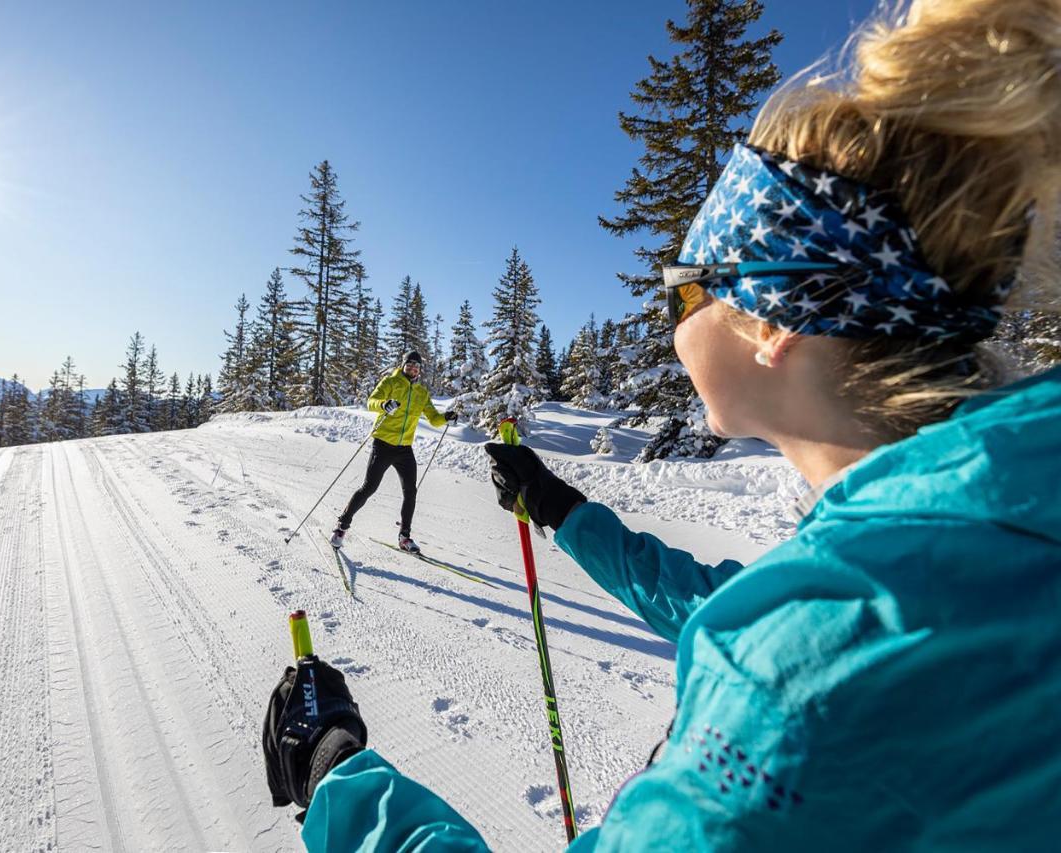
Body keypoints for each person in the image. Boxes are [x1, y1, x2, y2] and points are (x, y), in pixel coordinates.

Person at [264, 0, 1061, 848]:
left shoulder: (795, 692)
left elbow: (794, 644)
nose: (672, 309)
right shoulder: (977, 540)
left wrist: (335, 771)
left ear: (775, 318)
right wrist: (569, 514)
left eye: (688, 284)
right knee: (378, 483)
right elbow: (758, 607)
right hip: (391, 446)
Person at [331, 350, 456, 553]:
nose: (412, 369)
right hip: (383, 444)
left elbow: (433, 418)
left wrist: (446, 417)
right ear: (403, 365)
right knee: (369, 487)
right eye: (409, 365)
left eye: (416, 366)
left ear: (420, 370)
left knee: (410, 491)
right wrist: (384, 405)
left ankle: (404, 537)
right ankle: (341, 527)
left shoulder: (421, 393)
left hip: (404, 449)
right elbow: (371, 401)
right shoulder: (390, 382)